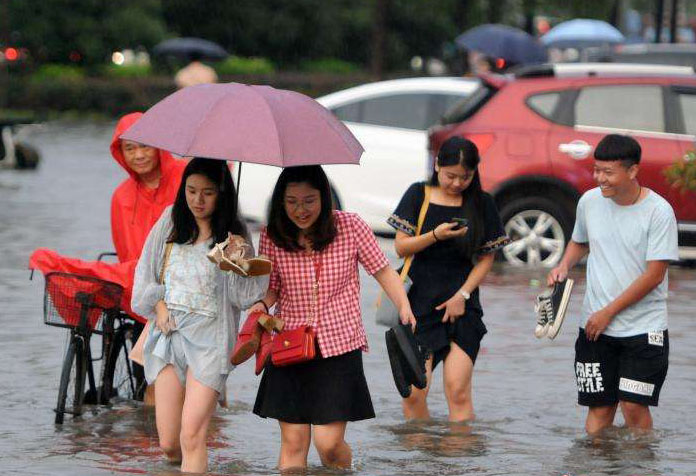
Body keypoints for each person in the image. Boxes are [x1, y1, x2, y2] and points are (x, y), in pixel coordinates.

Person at [250, 165, 416, 471]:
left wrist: (403, 305)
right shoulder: (272, 236)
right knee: (294, 444)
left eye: (309, 201)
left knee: (329, 445)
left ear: (324, 198)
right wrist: (261, 304)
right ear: (280, 202)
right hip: (290, 347)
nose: (300, 210)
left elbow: (381, 269)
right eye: (292, 202)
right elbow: (271, 289)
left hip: (338, 346)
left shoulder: (350, 226)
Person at [131, 158, 269, 473]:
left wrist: (239, 259)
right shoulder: (170, 221)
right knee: (169, 444)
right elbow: (145, 276)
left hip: (210, 341)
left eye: (207, 193)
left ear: (221, 194)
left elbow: (245, 296)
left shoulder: (234, 233)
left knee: (192, 435)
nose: (198, 200)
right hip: (168, 336)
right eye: (191, 191)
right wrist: (159, 307)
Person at [547, 134, 678, 435]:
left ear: (632, 171)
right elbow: (579, 241)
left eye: (608, 172)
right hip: (594, 327)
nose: (599, 178)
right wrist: (563, 265)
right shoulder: (589, 202)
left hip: (643, 328)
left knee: (633, 407)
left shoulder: (659, 212)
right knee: (600, 409)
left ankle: (641, 466)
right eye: (596, 170)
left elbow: (654, 275)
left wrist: (608, 312)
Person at [388, 136, 509, 422]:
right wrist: (435, 235)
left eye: (465, 177)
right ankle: (422, 458)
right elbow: (401, 246)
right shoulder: (419, 194)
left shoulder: (482, 203)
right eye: (450, 176)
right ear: (437, 165)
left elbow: (486, 258)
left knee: (458, 391)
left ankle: (457, 459)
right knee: (415, 392)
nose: (456, 183)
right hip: (418, 304)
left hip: (462, 305)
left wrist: (463, 296)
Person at [29, 112, 186, 321]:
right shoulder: (122, 196)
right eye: (130, 148)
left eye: (145, 146)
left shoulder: (187, 177)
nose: (138, 155)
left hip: (184, 272)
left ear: (158, 146)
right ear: (120, 152)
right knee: (117, 277)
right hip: (141, 277)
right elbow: (127, 253)